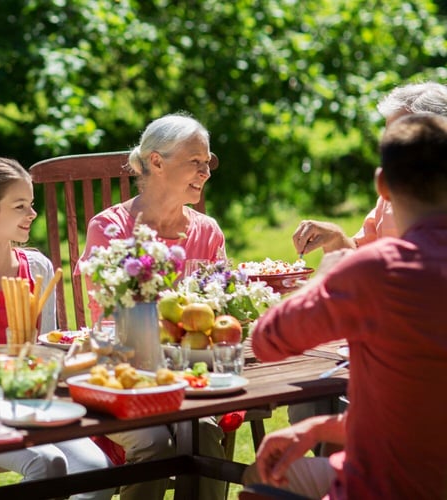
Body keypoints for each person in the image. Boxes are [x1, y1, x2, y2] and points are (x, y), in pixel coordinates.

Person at [247, 112, 447, 499]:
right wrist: (319, 428)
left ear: (382, 185)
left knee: (262, 477)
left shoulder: (377, 270)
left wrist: (323, 279)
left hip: (382, 486)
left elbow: (265, 340)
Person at [0, 157, 115, 500]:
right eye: (20, 206)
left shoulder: (39, 268)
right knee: (47, 463)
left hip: (35, 405)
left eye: (31, 204)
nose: (32, 214)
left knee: (98, 471)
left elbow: (48, 351)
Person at [76, 113, 227, 500]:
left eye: (207, 162)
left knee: (205, 433)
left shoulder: (207, 231)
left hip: (189, 373)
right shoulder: (110, 228)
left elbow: (221, 309)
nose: (205, 172)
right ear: (156, 161)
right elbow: (105, 315)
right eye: (195, 161)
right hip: (123, 374)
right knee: (158, 445)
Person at [292, 81, 447, 255]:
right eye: (390, 136)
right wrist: (335, 237)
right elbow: (361, 258)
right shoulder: (390, 196)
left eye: (404, 137)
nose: (392, 146)